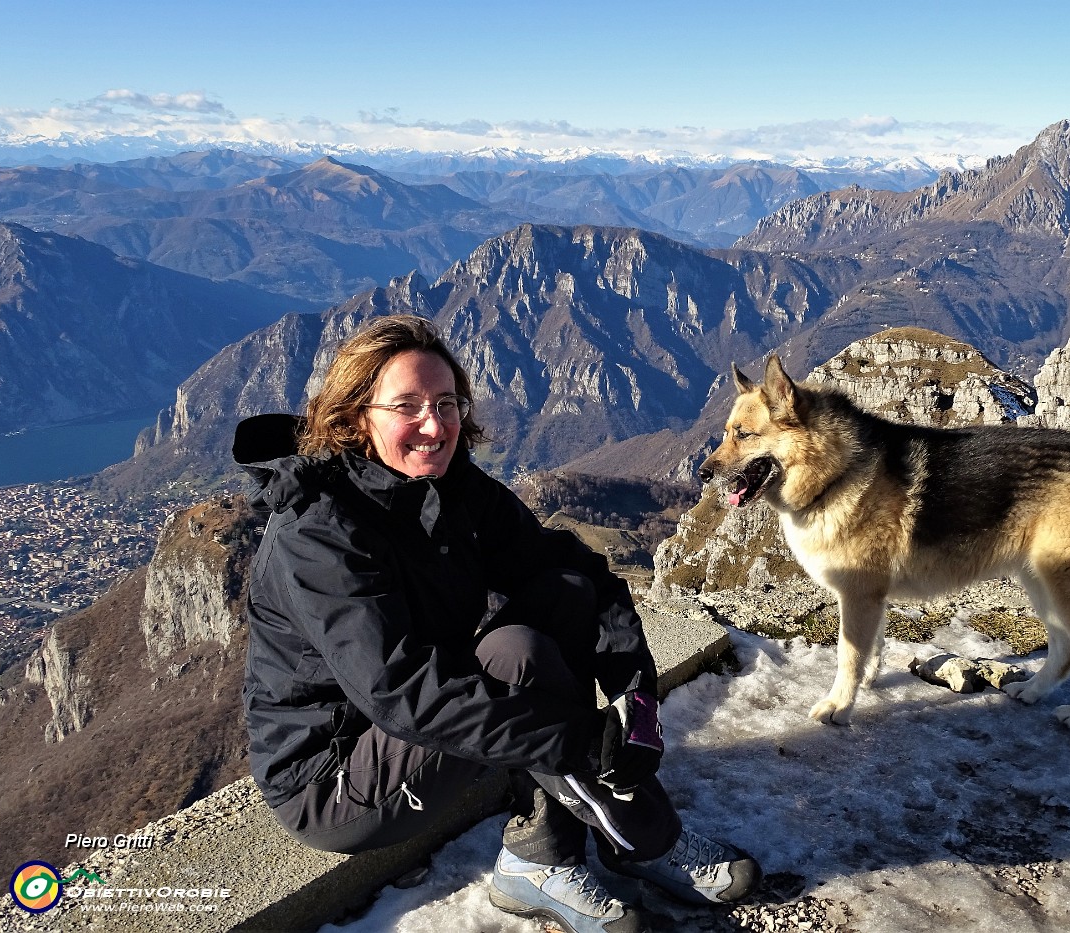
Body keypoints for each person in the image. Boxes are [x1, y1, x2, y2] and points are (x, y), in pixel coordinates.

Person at [234, 314, 759, 933]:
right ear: (356, 418)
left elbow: (571, 569)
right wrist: (586, 740)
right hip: (337, 773)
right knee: (519, 658)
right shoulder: (318, 534)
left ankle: (550, 846)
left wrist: (633, 690)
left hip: (420, 709)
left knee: (559, 597)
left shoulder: (446, 484)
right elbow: (402, 693)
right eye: (406, 406)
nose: (434, 425)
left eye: (446, 403)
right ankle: (636, 841)